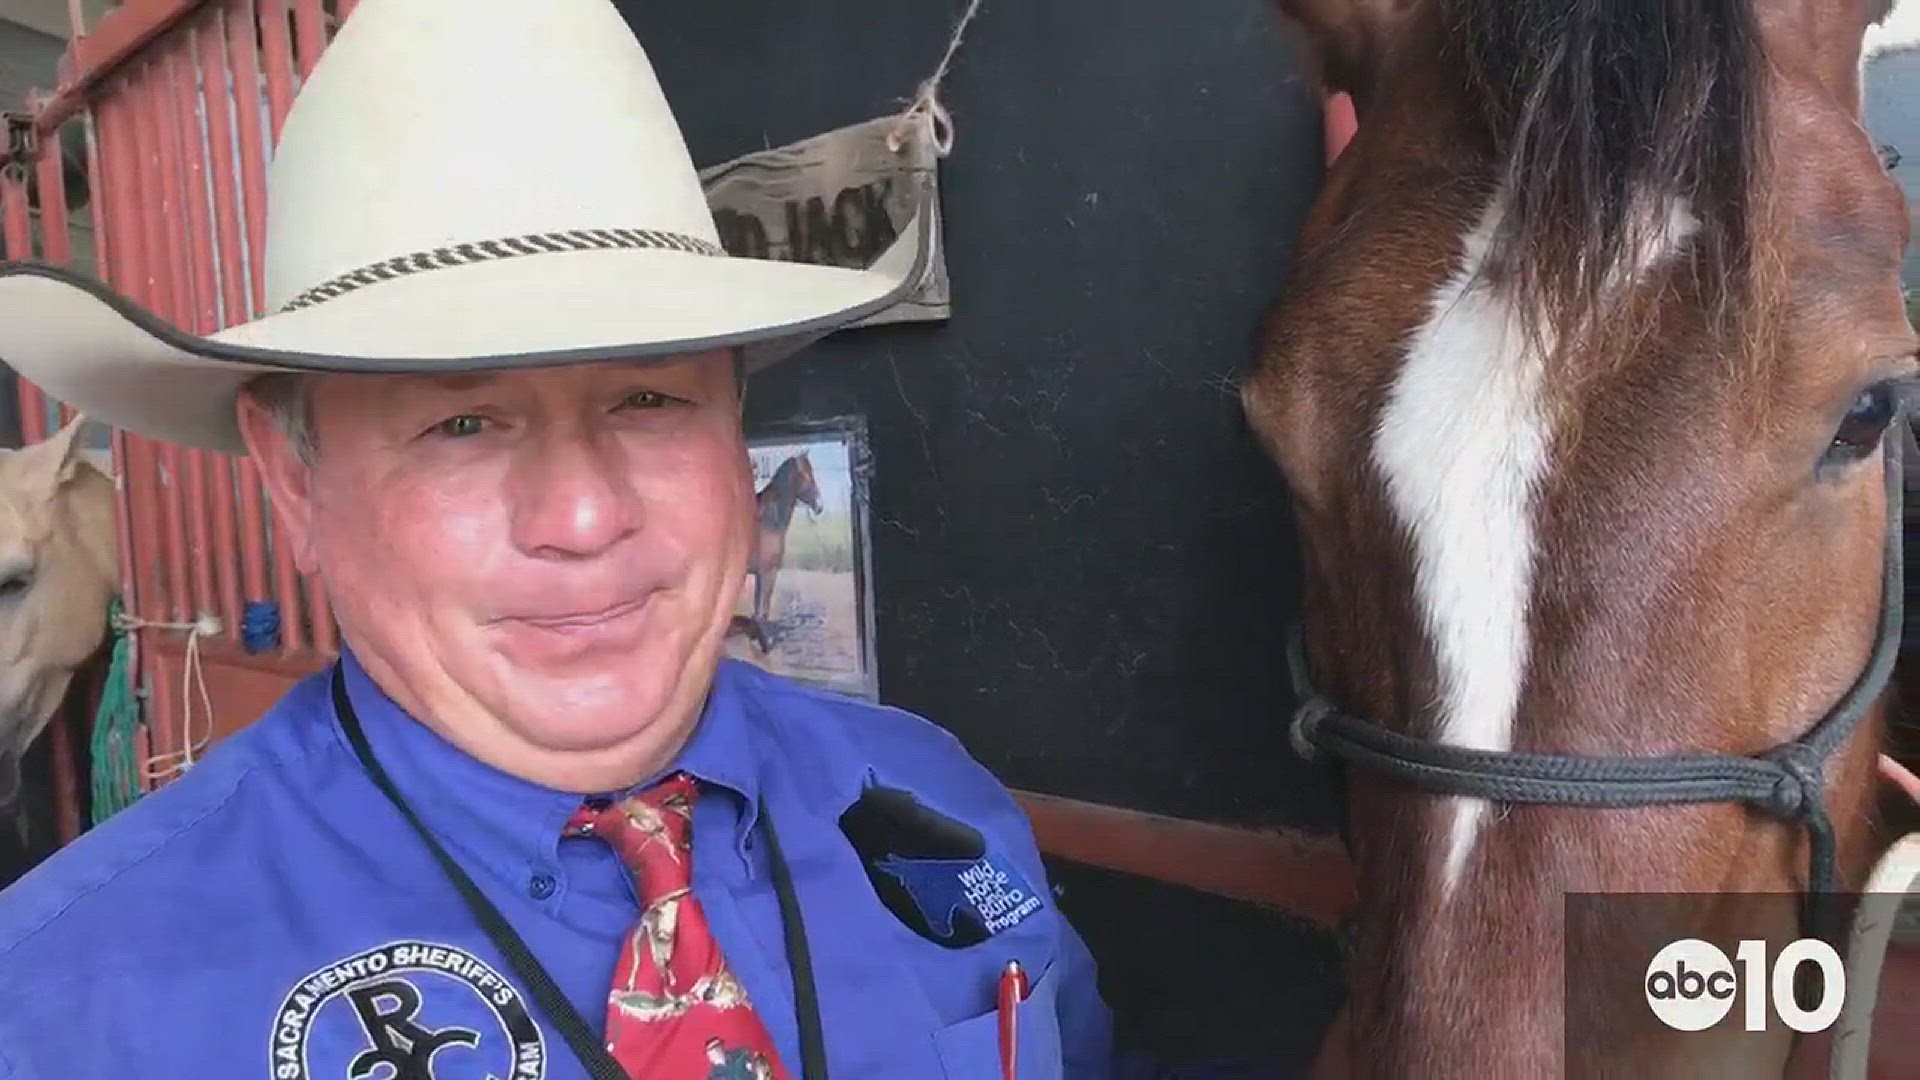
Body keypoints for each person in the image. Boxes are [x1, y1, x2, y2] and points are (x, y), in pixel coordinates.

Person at [0, 0, 1114, 1076]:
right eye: (464, 424)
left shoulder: (936, 803)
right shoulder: (66, 1009)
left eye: (650, 402)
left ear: (737, 438)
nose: (584, 519)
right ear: (297, 480)